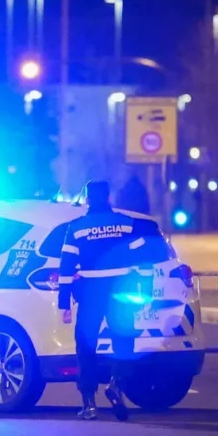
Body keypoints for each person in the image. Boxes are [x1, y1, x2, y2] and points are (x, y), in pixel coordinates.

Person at [58, 179, 157, 422]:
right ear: (109, 197)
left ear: (88, 199)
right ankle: (116, 384)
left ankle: (89, 403)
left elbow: (66, 267)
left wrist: (64, 303)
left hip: (91, 291)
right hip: (121, 290)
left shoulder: (77, 227)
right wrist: (146, 290)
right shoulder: (126, 224)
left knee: (86, 346)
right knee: (124, 339)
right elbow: (144, 258)